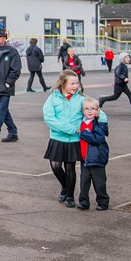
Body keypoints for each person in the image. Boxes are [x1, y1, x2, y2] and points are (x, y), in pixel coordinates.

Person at [42, 70, 84, 208]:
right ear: (63, 83)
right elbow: (49, 118)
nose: (75, 86)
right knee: (55, 165)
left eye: (77, 83)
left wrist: (101, 121)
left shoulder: (82, 99)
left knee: (70, 167)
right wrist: (69, 129)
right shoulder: (53, 97)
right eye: (72, 83)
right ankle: (65, 187)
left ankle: (70, 196)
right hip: (57, 137)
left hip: (73, 140)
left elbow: (97, 111)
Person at [77, 96, 110, 211]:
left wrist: (84, 133)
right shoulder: (81, 123)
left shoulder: (99, 124)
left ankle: (103, 201)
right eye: (86, 109)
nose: (90, 111)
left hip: (96, 158)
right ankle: (84, 202)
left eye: (93, 108)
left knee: (99, 182)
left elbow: (98, 139)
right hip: (84, 158)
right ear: (82, 111)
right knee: (84, 182)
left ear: (98, 110)